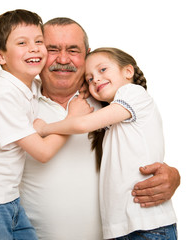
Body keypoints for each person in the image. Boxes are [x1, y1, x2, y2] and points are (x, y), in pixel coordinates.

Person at [0, 18, 180, 240]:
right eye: (52, 49)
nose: (63, 59)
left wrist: (172, 176)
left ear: (87, 55)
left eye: (73, 50)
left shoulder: (109, 102)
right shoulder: (16, 99)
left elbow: (143, 144)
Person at [0, 10, 92, 240]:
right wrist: (71, 122)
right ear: (1, 56)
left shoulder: (30, 90)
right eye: (53, 48)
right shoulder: (4, 94)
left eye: (38, 42)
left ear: (87, 54)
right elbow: (42, 152)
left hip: (8, 203)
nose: (35, 48)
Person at [34, 47, 178, 239]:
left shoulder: (133, 94)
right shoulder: (114, 114)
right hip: (123, 228)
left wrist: (44, 128)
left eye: (102, 70)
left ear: (128, 72)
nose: (96, 80)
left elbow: (83, 123)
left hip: (146, 225)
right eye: (90, 79)